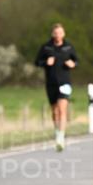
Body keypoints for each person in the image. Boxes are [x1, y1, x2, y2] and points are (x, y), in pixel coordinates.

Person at [35, 23, 78, 152]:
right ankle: (57, 131)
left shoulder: (68, 47)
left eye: (60, 33)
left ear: (63, 34)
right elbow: (37, 62)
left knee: (62, 108)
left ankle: (61, 137)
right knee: (55, 111)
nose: (58, 35)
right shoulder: (46, 47)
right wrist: (45, 63)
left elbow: (76, 61)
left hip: (65, 83)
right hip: (51, 83)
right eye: (56, 33)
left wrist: (73, 64)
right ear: (53, 34)